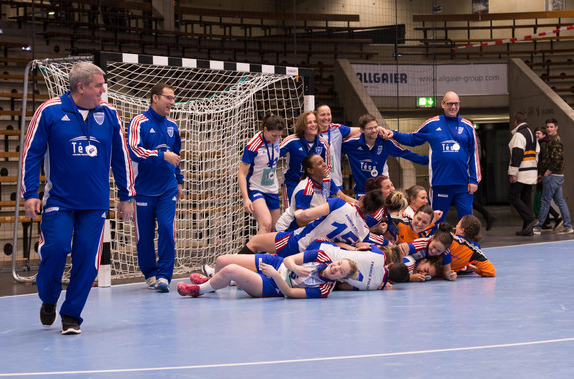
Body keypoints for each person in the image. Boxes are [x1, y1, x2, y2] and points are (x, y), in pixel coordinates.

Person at [21, 62, 135, 335]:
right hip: (58, 201)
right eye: (98, 85)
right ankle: (48, 298)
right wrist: (29, 193)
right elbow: (31, 152)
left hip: (95, 204)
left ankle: (71, 315)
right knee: (56, 250)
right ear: (80, 87)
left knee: (87, 261)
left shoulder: (109, 115)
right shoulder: (49, 111)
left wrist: (126, 195)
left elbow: (122, 157)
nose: (103, 90)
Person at [380, 91, 481, 223]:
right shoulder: (432, 124)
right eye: (450, 104)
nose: (453, 107)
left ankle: (469, 243)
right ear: (443, 104)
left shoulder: (467, 126)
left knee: (468, 221)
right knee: (435, 221)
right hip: (440, 183)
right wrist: (393, 134)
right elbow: (413, 139)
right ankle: (431, 243)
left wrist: (474, 180)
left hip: (463, 184)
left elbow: (474, 154)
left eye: (456, 104)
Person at [128, 83, 183, 292]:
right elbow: (134, 151)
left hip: (167, 188)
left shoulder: (173, 125)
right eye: (168, 97)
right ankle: (150, 273)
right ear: (155, 98)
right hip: (142, 189)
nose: (172, 102)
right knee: (145, 236)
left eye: (173, 98)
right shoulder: (139, 122)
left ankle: (164, 276)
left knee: (168, 230)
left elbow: (176, 155)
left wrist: (179, 180)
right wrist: (161, 155)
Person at [238, 189, 388, 258]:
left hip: (298, 243)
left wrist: (297, 213)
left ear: (362, 198)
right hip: (316, 257)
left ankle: (233, 271)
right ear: (372, 212)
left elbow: (308, 214)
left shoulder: (340, 204)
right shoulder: (363, 232)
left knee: (255, 241)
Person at [178, 243, 359, 299]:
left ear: (341, 279)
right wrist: (294, 267)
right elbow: (289, 259)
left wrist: (273, 275)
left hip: (273, 285)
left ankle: (198, 290)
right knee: (222, 261)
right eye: (338, 264)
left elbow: (289, 293)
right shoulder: (320, 256)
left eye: (340, 272)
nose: (335, 268)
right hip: (276, 263)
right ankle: (213, 284)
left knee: (232, 269)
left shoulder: (323, 290)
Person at [342, 113, 428, 199]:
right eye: (370, 128)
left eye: (376, 127)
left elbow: (405, 153)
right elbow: (334, 147)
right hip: (362, 192)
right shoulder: (351, 144)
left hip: (382, 191)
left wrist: (429, 160)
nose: (374, 130)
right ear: (362, 130)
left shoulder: (385, 141)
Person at [275, 153, 356, 232]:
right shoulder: (305, 190)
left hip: (309, 225)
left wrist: (361, 204)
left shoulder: (327, 180)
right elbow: (300, 221)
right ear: (310, 170)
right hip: (288, 229)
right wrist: (326, 216)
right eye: (319, 163)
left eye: (323, 161)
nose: (324, 164)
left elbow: (343, 198)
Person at [238, 113, 285, 234]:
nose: (276, 138)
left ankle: (268, 253)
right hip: (255, 188)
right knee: (266, 224)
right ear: (265, 130)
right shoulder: (253, 146)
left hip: (272, 189)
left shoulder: (276, 140)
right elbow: (242, 173)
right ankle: (251, 253)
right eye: (274, 135)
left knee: (275, 228)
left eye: (279, 135)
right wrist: (246, 198)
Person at [279, 111, 331, 206]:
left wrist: (317, 180)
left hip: (313, 184)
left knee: (312, 214)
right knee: (292, 214)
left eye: (315, 122)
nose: (313, 125)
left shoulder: (323, 144)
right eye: (309, 122)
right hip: (292, 182)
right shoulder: (291, 140)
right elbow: (275, 155)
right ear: (303, 126)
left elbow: (327, 167)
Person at [533, 119, 574, 234]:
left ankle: (538, 226)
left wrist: (548, 172)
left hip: (553, 176)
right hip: (557, 175)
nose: (549, 129)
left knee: (545, 201)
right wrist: (543, 173)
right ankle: (568, 226)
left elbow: (557, 158)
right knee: (560, 201)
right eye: (547, 127)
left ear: (556, 127)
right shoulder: (554, 140)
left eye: (551, 127)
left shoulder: (555, 141)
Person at [508, 111, 540, 236]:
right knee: (526, 198)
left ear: (515, 122)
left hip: (522, 171)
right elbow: (537, 153)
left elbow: (517, 155)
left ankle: (531, 219)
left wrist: (513, 173)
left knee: (512, 196)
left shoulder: (519, 135)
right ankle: (528, 229)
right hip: (532, 170)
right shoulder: (532, 133)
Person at [316, 104, 360, 191]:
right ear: (316, 116)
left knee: (337, 204)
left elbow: (361, 130)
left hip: (335, 180)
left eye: (328, 114)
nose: (326, 117)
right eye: (322, 115)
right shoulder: (312, 131)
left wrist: (379, 129)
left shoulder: (337, 129)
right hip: (317, 180)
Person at [534, 126, 561, 229]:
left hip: (544, 175)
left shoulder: (543, 145)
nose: (537, 135)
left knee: (543, 200)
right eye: (536, 133)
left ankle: (557, 217)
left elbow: (544, 161)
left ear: (544, 135)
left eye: (539, 133)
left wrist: (543, 173)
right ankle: (547, 222)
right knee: (545, 199)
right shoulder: (541, 144)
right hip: (543, 174)